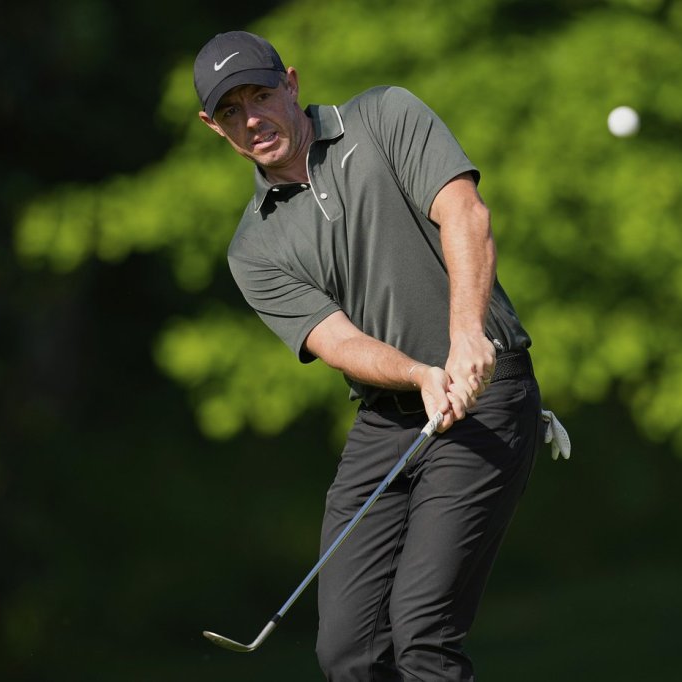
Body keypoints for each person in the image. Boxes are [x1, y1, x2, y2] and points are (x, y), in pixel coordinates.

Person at [194, 30, 554, 681]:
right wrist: (419, 374)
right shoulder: (253, 247)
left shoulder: (383, 116)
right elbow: (338, 341)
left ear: (291, 84)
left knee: (422, 632)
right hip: (388, 420)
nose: (252, 119)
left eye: (261, 95)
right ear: (213, 126)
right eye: (230, 111)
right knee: (348, 653)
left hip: (486, 393)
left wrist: (466, 336)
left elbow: (465, 213)